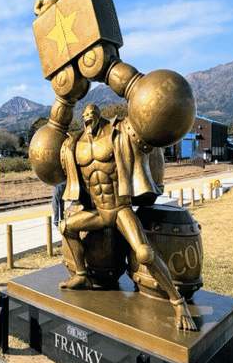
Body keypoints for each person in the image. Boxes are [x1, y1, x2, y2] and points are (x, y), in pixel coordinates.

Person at [59, 103, 196, 332]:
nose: (87, 119)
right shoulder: (76, 144)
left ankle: (178, 302)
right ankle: (82, 274)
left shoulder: (117, 133)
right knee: (66, 227)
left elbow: (141, 138)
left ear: (98, 115)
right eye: (84, 116)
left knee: (143, 252)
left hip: (121, 209)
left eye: (91, 115)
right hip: (100, 212)